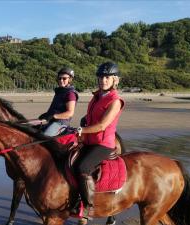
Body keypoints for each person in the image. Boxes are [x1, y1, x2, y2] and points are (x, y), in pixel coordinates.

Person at [73, 62, 125, 212]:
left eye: (107, 77)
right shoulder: (97, 97)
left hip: (103, 144)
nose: (103, 80)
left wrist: (81, 130)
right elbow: (91, 117)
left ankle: (86, 205)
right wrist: (84, 122)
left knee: (83, 167)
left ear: (115, 79)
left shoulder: (115, 101)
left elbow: (102, 125)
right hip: (89, 141)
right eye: (101, 77)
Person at [38, 67, 78, 136]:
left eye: (64, 78)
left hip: (60, 123)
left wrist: (53, 116)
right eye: (59, 78)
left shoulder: (70, 94)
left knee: (44, 137)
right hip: (52, 120)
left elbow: (70, 113)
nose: (61, 80)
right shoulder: (60, 91)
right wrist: (46, 114)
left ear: (70, 79)